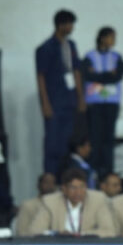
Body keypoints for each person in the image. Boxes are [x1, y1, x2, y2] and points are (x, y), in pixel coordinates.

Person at [36, 10, 86, 175]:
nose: (72, 28)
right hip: (54, 102)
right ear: (61, 25)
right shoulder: (45, 48)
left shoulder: (71, 45)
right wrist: (45, 103)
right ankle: (50, 177)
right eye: (70, 24)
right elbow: (41, 76)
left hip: (69, 101)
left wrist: (80, 97)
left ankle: (63, 177)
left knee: (66, 144)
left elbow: (76, 71)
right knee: (53, 144)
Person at [83, 26, 123, 176]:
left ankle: (108, 172)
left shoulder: (116, 57)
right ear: (102, 38)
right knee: (95, 138)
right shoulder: (90, 56)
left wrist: (99, 76)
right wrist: (108, 75)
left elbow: (118, 76)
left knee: (109, 139)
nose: (113, 41)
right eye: (111, 37)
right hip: (95, 103)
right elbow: (88, 75)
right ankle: (93, 172)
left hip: (111, 103)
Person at [29, 168, 118, 237]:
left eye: (82, 187)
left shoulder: (98, 200)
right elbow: (34, 231)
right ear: (64, 189)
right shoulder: (50, 202)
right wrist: (57, 234)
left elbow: (109, 231)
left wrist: (81, 235)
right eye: (73, 188)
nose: (78, 192)